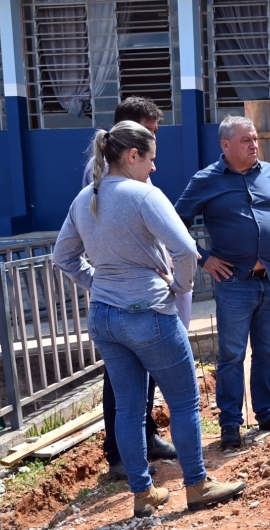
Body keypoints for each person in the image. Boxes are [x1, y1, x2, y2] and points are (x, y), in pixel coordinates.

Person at [55, 120, 246, 517]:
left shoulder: (84, 198)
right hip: (149, 314)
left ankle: (143, 494)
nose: (154, 167)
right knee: (184, 402)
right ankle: (197, 484)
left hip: (104, 317)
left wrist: (97, 282)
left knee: (128, 408)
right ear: (132, 155)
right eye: (151, 159)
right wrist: (178, 287)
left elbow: (63, 257)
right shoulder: (144, 195)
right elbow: (186, 249)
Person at [175, 116, 270, 450]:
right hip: (234, 284)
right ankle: (231, 424)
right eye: (246, 140)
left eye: (255, 139)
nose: (254, 145)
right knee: (232, 356)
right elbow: (175, 226)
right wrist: (204, 258)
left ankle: (267, 411)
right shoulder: (205, 180)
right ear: (225, 145)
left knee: (267, 351)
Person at [82, 97, 179, 482]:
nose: (155, 143)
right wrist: (98, 281)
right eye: (149, 132)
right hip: (124, 301)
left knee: (143, 378)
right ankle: (120, 455)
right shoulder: (103, 177)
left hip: (140, 296)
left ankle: (146, 438)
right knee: (122, 385)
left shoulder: (136, 173)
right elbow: (97, 238)